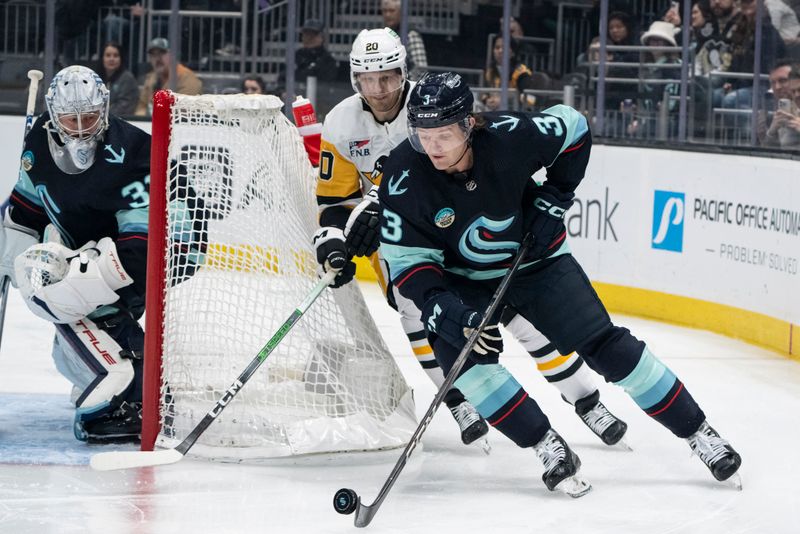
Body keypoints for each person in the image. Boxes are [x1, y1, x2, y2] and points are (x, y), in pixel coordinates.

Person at [374, 71, 742, 494]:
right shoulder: (403, 174)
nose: (431, 147)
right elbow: (408, 263)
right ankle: (546, 443)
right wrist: (446, 309)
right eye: (422, 135)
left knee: (608, 347)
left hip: (538, 261)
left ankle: (699, 432)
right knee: (464, 365)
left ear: (468, 124)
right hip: (462, 282)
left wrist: (557, 196)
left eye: (442, 135)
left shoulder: (510, 136)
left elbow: (574, 125)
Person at [313, 28, 628, 452]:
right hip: (411, 241)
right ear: (355, 79)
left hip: (467, 229)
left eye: (387, 77)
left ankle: (586, 400)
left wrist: (377, 200)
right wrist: (334, 238)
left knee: (523, 319)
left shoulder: (430, 102)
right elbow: (334, 200)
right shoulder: (340, 123)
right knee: (420, 316)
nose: (379, 89)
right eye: (367, 80)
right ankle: (458, 400)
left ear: (403, 72)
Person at [0, 65, 150, 443]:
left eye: (90, 117)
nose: (81, 128)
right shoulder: (38, 140)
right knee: (67, 353)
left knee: (69, 297)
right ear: (53, 115)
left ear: (105, 108)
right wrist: (11, 253)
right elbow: (26, 208)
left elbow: (142, 249)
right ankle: (108, 369)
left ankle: (128, 384)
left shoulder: (133, 151)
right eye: (70, 117)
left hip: (132, 260)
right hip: (80, 251)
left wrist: (84, 281)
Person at [135, 37, 203, 116]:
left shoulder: (187, 78)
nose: (157, 58)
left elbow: (184, 113)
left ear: (173, 55)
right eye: (153, 55)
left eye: (162, 53)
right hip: (152, 124)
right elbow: (141, 106)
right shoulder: (151, 78)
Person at [480, 35, 536, 111]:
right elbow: (482, 93)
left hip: (515, 112)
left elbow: (530, 99)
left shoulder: (522, 72)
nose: (500, 51)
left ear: (513, 52)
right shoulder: (490, 71)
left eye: (504, 47)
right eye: (497, 47)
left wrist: (504, 101)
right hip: (492, 111)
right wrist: (487, 100)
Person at [381, 0, 428, 80]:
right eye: (385, 11)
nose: (387, 14)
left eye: (392, 11)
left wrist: (404, 82)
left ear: (401, 12)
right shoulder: (384, 33)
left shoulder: (410, 34)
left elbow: (421, 68)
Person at [97, 41, 139, 116]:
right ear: (102, 58)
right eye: (108, 55)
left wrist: (101, 115)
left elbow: (124, 107)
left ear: (121, 59)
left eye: (115, 56)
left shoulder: (128, 79)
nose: (111, 59)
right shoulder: (97, 78)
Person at [295, 19, 339, 83]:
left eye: (312, 35)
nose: (308, 38)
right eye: (305, 34)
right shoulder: (297, 55)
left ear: (321, 37)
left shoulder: (327, 60)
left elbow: (326, 85)